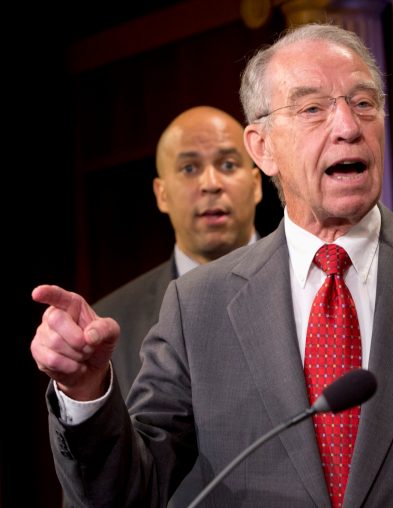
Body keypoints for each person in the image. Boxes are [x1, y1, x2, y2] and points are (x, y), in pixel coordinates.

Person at [31, 24, 393, 507]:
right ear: (262, 149)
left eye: (363, 103)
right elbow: (130, 491)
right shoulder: (198, 307)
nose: (348, 126)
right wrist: (85, 392)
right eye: (312, 110)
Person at [89, 105, 262, 507]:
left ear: (256, 183)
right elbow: (95, 481)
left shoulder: (318, 290)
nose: (210, 183)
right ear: (161, 194)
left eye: (228, 163)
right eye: (188, 168)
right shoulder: (110, 322)